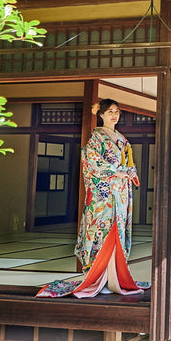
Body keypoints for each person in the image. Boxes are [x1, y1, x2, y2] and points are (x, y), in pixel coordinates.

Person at [70, 99, 145, 297]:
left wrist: (129, 172)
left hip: (119, 193)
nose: (114, 115)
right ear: (101, 115)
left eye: (117, 111)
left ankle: (113, 277)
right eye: (110, 111)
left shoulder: (122, 138)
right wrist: (114, 172)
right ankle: (97, 277)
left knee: (116, 231)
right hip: (102, 193)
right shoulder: (96, 137)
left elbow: (129, 161)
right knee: (99, 231)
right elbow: (90, 159)